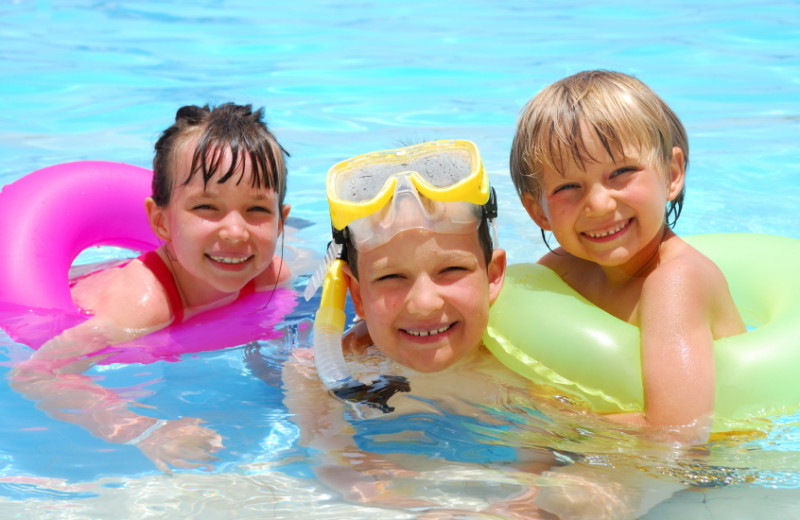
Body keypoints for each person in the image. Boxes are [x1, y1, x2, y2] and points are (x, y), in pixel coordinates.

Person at [277, 140, 567, 518]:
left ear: (494, 276)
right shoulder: (316, 378)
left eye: (452, 270)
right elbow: (336, 466)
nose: (425, 302)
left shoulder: (529, 371)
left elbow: (547, 474)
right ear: (357, 295)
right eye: (392, 276)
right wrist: (419, 509)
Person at [9, 102, 292, 473]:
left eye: (257, 210)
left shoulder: (272, 276)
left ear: (281, 221)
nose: (236, 232)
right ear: (160, 222)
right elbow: (36, 374)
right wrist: (145, 431)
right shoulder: (141, 307)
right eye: (207, 206)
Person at [509, 70, 746, 444]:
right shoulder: (561, 272)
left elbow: (679, 437)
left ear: (671, 173)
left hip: (707, 479)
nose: (599, 204)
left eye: (621, 173)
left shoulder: (676, 282)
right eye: (569, 187)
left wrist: (564, 419)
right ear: (537, 212)